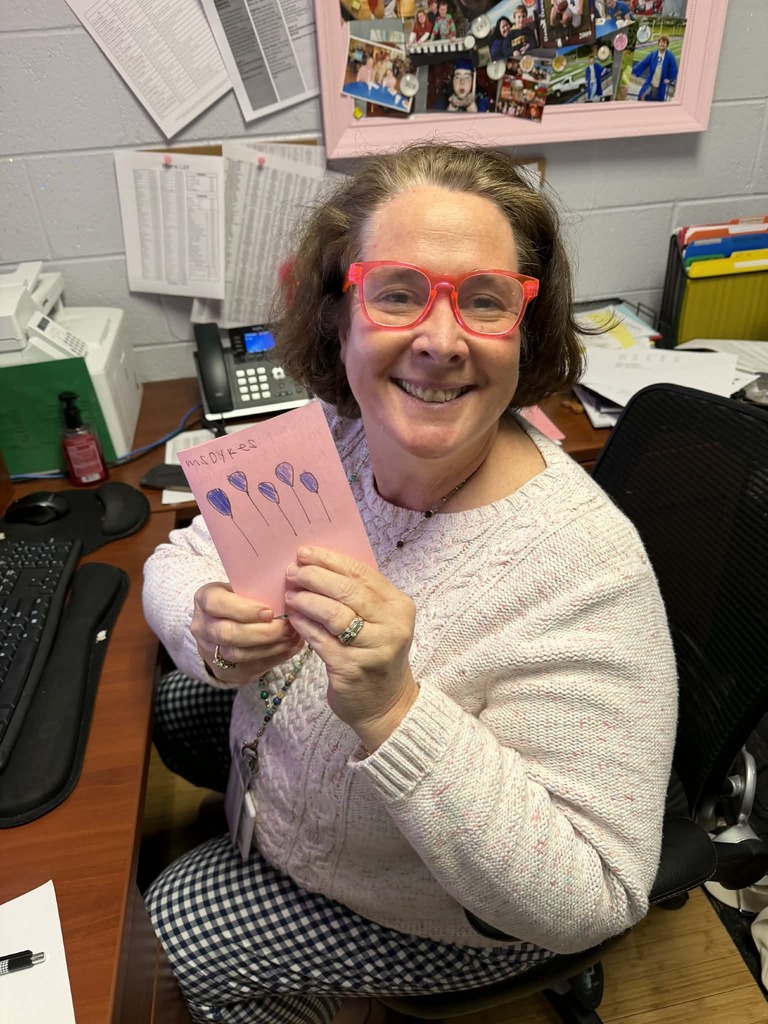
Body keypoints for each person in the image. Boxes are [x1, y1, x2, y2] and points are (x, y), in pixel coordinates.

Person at [142, 142, 678, 1024]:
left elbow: (598, 896)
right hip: (307, 803)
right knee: (173, 703)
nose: (438, 340)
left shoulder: (586, 571)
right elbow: (182, 554)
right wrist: (205, 621)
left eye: (484, 301)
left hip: (438, 907)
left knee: (171, 920)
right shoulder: (338, 436)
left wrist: (395, 710)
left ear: (526, 329)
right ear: (340, 317)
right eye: (397, 293)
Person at [632, 34, 678, 101]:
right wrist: (632, 70)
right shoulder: (653, 54)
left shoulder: (670, 56)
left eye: (664, 43)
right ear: (658, 43)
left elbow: (674, 68)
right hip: (650, 82)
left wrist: (669, 79)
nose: (662, 44)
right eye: (661, 42)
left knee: (657, 101)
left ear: (667, 45)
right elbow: (643, 63)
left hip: (661, 85)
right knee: (642, 96)